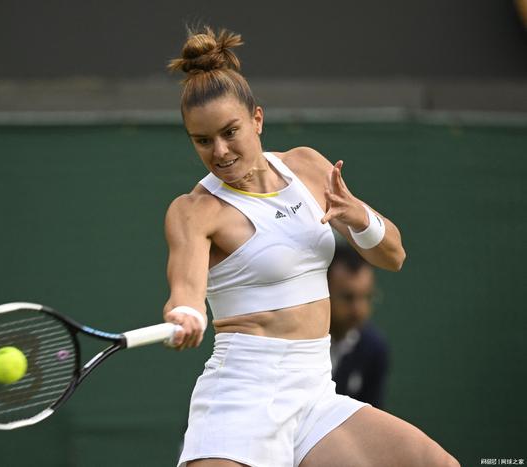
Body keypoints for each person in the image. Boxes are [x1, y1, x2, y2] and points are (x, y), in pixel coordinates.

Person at [161, 27, 459, 467]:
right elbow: (185, 290)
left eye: (230, 132)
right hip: (241, 398)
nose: (219, 151)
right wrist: (185, 314)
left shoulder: (307, 167)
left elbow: (393, 256)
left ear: (257, 119)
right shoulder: (193, 211)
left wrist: (358, 217)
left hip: (314, 393)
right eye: (203, 141)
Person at [328, 239, 389, 408]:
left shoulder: (373, 348)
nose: (359, 310)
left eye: (366, 297)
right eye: (348, 297)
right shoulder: (298, 341)